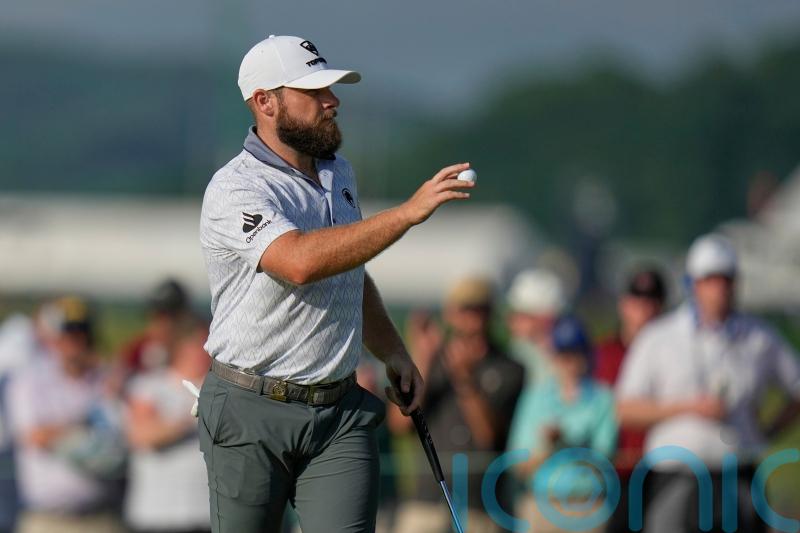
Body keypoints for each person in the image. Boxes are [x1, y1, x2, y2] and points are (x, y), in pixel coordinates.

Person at [198, 35, 475, 533]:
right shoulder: (236, 186)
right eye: (314, 92)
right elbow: (299, 262)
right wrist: (407, 214)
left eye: (331, 89)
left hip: (338, 413)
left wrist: (393, 352)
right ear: (265, 102)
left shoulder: (338, 173)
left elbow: (348, 268)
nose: (333, 101)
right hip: (249, 409)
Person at [616, 234, 800, 533]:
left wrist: (770, 430)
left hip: (736, 471)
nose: (720, 290)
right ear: (694, 284)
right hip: (675, 472)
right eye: (711, 280)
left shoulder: (758, 336)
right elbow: (625, 409)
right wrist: (686, 408)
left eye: (726, 280)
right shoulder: (660, 337)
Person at [390, 276, 524, 533]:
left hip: (481, 503)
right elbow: (400, 425)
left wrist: (465, 379)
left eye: (479, 309)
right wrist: (422, 359)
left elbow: (489, 437)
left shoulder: (510, 367)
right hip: (426, 499)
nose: (472, 319)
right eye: (464, 309)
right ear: (450, 314)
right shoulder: (430, 362)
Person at [7, 297, 127, 533]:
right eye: (68, 334)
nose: (75, 343)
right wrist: (85, 423)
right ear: (54, 339)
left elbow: (121, 442)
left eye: (82, 334)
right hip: (47, 520)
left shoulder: (105, 379)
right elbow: (36, 436)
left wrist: (65, 431)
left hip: (101, 517)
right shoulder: (31, 380)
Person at [508, 315, 618, 533]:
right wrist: (547, 446)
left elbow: (603, 459)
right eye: (562, 354)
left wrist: (565, 441)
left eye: (574, 353)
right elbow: (518, 462)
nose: (568, 362)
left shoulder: (602, 398)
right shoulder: (535, 397)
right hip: (542, 502)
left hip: (586, 505)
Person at [594, 267, 666, 533]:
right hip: (613, 474)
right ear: (623, 304)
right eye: (637, 300)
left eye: (652, 301)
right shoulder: (604, 353)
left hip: (660, 472)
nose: (644, 309)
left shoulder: (672, 356)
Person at [124, 316, 211, 533]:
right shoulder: (150, 386)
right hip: (158, 516)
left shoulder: (220, 389)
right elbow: (142, 434)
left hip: (206, 515)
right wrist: (194, 414)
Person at [506, 268, 568, 387]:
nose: (511, 321)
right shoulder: (519, 350)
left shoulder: (567, 358)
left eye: (521, 315)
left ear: (544, 318)